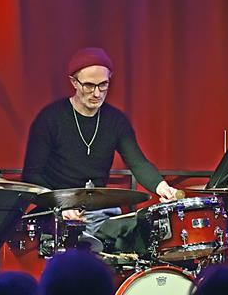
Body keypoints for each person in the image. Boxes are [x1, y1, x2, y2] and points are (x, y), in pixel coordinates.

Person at [21, 47, 181, 251]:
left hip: (99, 211)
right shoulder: (50, 119)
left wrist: (161, 187)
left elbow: (138, 162)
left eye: (103, 85)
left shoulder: (115, 121)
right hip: (55, 212)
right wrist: (59, 207)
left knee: (141, 234)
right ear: (74, 82)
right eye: (89, 85)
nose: (97, 93)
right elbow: (32, 174)